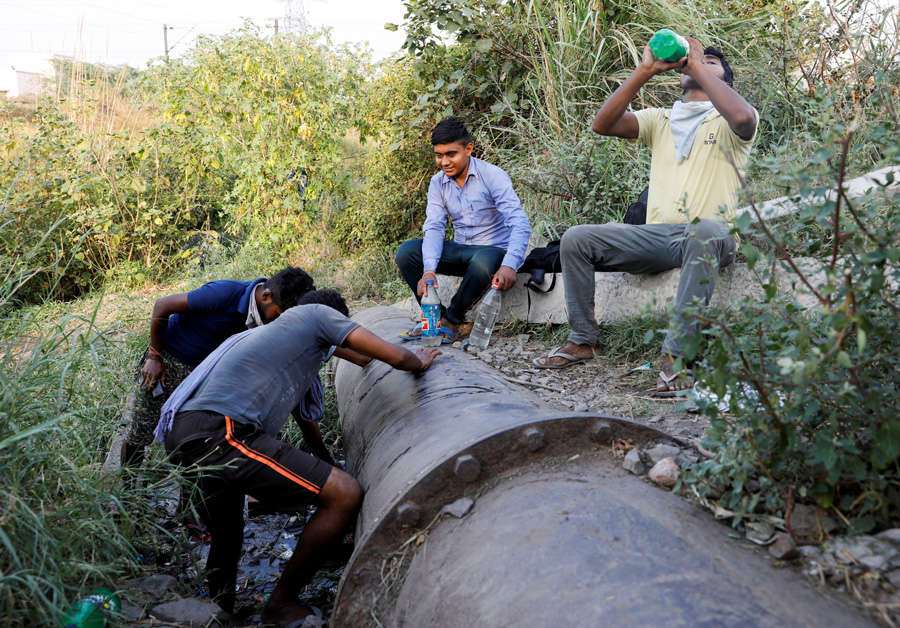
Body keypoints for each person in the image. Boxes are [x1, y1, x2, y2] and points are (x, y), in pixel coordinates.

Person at [156, 289, 441, 624]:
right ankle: (280, 602)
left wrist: (324, 460)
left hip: (186, 430)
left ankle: (219, 609)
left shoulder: (276, 337)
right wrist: (418, 359)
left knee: (228, 530)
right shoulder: (319, 315)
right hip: (221, 430)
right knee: (344, 494)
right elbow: (394, 356)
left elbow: (358, 361)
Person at [534, 37, 758, 396]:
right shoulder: (661, 120)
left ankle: (677, 360)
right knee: (577, 238)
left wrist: (696, 63)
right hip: (658, 237)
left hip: (709, 238)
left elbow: (744, 118)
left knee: (707, 231)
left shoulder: (731, 119)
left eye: (712, 62)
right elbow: (602, 124)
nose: (701, 61)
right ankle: (583, 340)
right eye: (700, 58)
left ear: (725, 81)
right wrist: (645, 70)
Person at [122, 267, 318, 474]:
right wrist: (155, 356)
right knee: (140, 428)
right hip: (169, 362)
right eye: (278, 315)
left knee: (194, 436)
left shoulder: (263, 316)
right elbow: (163, 305)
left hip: (206, 373)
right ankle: (127, 490)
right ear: (266, 296)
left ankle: (187, 493)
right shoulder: (224, 293)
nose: (278, 321)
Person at [395, 116, 531, 342]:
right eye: (439, 156)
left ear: (468, 149)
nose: (444, 162)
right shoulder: (437, 183)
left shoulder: (492, 176)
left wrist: (509, 264)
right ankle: (433, 318)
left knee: (484, 259)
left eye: (451, 154)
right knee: (407, 252)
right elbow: (435, 227)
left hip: (490, 255)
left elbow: (519, 222)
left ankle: (452, 319)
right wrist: (428, 269)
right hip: (462, 251)